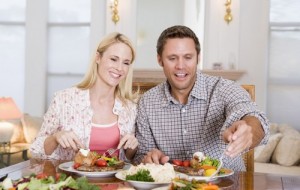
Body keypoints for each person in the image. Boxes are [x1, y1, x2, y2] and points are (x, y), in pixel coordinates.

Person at [133, 25, 270, 171]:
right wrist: (150, 158)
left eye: (188, 57)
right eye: (172, 58)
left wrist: (249, 129)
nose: (180, 66)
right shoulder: (146, 102)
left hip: (228, 185)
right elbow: (140, 156)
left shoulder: (224, 88)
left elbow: (252, 115)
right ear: (160, 60)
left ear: (198, 57)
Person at [30, 32, 139, 161]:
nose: (119, 68)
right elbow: (35, 150)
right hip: (72, 180)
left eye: (126, 63)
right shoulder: (63, 99)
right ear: (98, 58)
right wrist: (55, 137)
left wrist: (132, 147)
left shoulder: (130, 109)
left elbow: (129, 159)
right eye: (113, 59)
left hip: (114, 180)